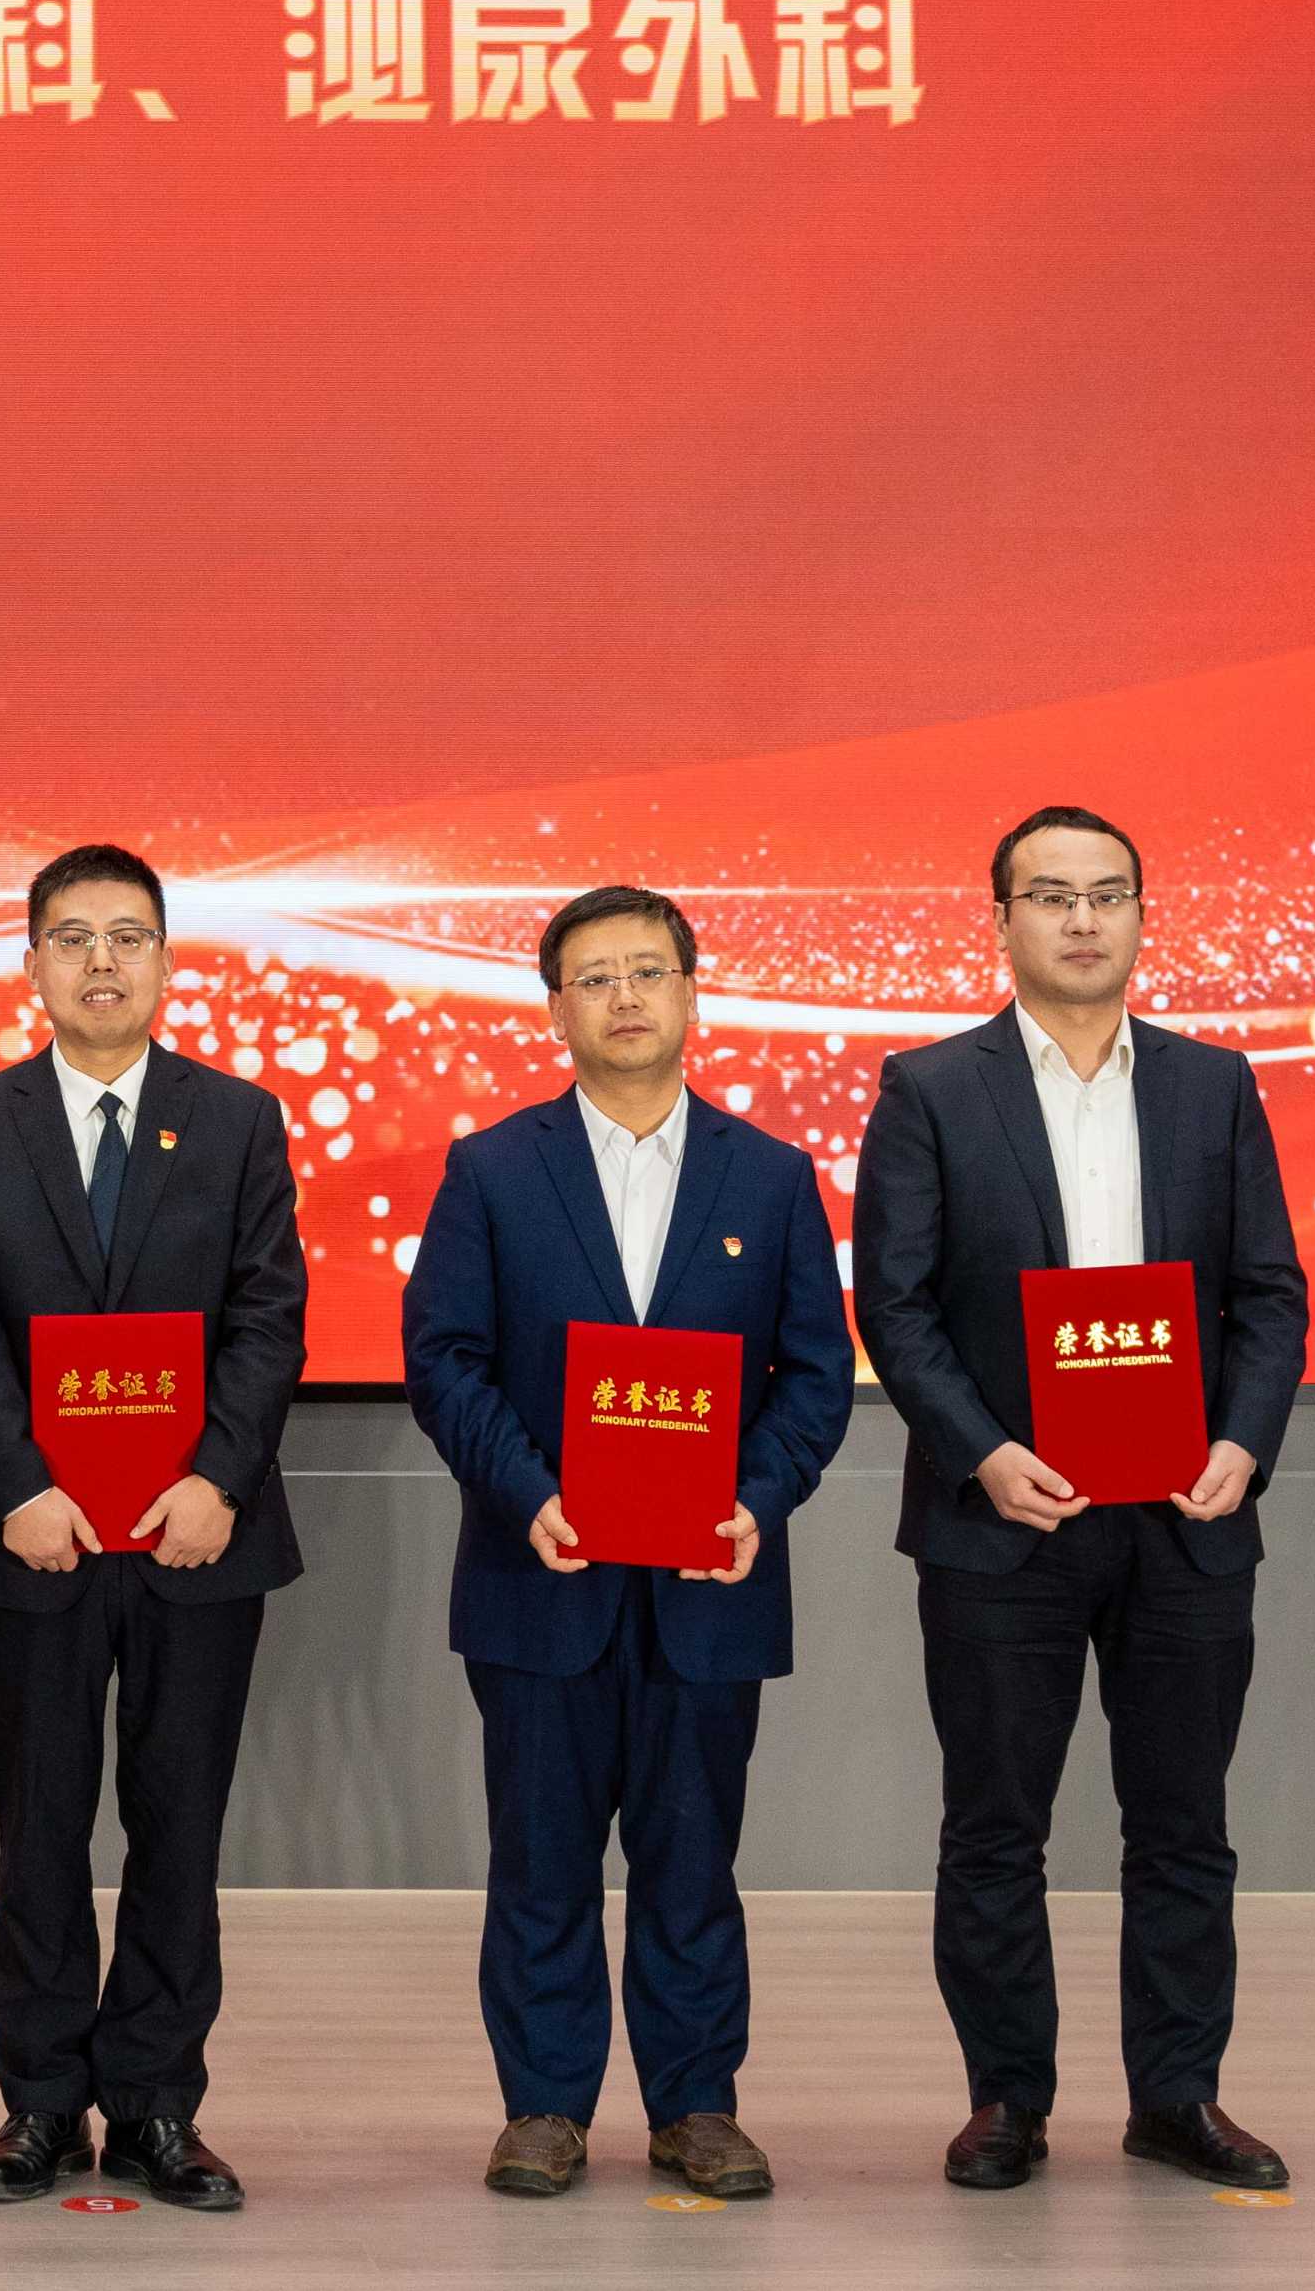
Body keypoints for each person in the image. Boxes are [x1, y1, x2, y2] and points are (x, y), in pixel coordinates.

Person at [853, 807, 1313, 2195]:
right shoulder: (932, 1088)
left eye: (1108, 893)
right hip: (1005, 1520)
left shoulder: (1213, 1085)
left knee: (1183, 1827)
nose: (1082, 918)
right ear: (1000, 919)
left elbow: (1270, 1294)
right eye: (1051, 894)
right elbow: (896, 1304)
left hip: (1185, 1516)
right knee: (996, 1826)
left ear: (1141, 916)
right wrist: (984, 1451)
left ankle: (1178, 2096)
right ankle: (1008, 2098)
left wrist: (1242, 1443)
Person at [403, 883, 852, 2204]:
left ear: (691, 992)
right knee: (540, 1859)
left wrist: (756, 1499)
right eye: (593, 977)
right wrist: (526, 1493)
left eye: (648, 970)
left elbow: (815, 1374)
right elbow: (445, 1358)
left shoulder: (770, 1176)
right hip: (539, 1575)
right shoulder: (493, 1169)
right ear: (556, 1009)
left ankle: (696, 2106)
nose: (625, 997)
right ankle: (544, 2107)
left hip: (711, 1581)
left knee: (692, 1862)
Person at [0, 843, 305, 2210]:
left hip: (198, 1535)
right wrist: (21, 1488)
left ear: (166, 961)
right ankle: (37, 2103)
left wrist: (219, 1481)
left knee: (178, 1824)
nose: (101, 961)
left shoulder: (238, 1120)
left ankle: (154, 2104)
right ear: (31, 965)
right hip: (34, 1538)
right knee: (39, 1826)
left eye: (128, 936)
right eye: (72, 937)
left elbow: (270, 1315)